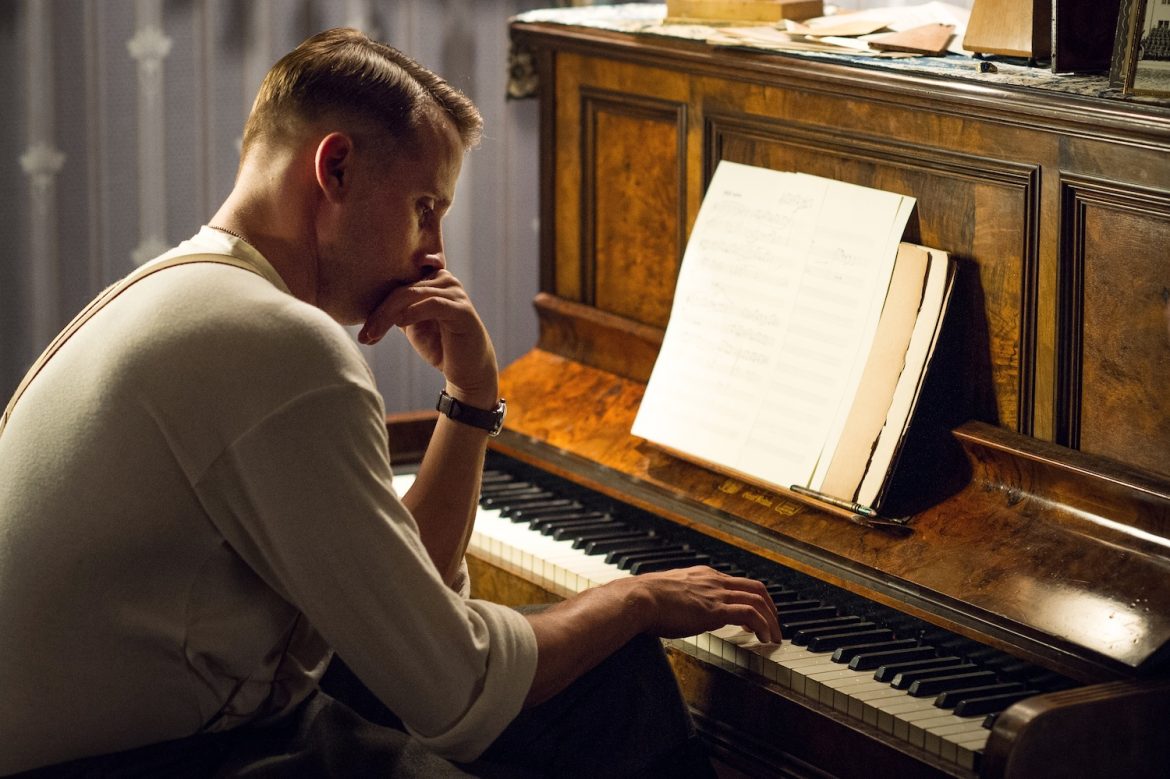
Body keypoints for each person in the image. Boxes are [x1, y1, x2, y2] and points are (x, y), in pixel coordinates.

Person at [0, 28, 781, 777]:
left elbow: (406, 602)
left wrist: (471, 400)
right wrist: (637, 596)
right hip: (157, 764)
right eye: (424, 208)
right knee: (613, 681)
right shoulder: (276, 342)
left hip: (155, 743)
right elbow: (460, 692)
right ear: (333, 169)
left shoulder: (191, 291)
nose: (434, 251)